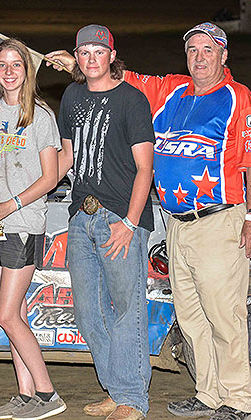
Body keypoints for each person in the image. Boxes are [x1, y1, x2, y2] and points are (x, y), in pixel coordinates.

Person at [47, 22, 251, 420]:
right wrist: (71, 67)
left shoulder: (239, 98)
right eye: (193, 50)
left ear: (224, 55)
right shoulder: (173, 91)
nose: (199, 57)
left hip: (219, 220)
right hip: (176, 222)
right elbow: (118, 78)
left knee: (224, 314)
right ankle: (207, 393)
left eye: (208, 50)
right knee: (191, 316)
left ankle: (237, 400)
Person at [50, 24, 155, 420]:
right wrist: (29, 185)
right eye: (84, 53)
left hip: (121, 217)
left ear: (112, 56)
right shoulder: (72, 95)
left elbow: (145, 168)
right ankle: (116, 389)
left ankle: (133, 400)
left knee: (128, 308)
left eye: (98, 52)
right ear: (76, 58)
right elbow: (67, 157)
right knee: (90, 311)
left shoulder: (132, 100)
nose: (91, 59)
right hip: (82, 216)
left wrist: (129, 223)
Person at [0, 38, 65, 420]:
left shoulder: (39, 116)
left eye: (17, 64)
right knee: (17, 314)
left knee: (6, 315)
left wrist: (10, 205)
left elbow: (50, 177)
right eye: (2, 65)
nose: (9, 71)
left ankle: (48, 394)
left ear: (28, 71)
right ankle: (25, 394)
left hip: (23, 223)